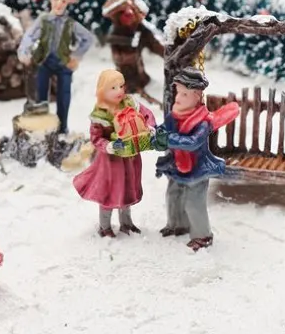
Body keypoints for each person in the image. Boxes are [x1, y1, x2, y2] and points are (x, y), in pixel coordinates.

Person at [155, 68, 240, 251]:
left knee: (193, 204)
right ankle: (177, 224)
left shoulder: (202, 122)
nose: (178, 98)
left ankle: (203, 236)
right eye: (178, 92)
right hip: (176, 165)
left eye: (184, 94)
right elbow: (163, 130)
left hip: (197, 169)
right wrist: (156, 135)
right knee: (173, 196)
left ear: (197, 96)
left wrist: (168, 139)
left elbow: (192, 143)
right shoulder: (174, 115)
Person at [73, 69, 160, 237]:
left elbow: (146, 114)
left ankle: (126, 223)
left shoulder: (130, 102)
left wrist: (149, 127)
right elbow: (96, 138)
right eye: (113, 88)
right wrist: (110, 145)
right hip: (111, 163)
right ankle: (104, 226)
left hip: (130, 157)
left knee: (127, 189)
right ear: (102, 91)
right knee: (109, 192)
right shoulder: (101, 113)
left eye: (121, 86)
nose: (119, 91)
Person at [17, 0, 96, 134]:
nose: (59, 4)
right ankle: (42, 126)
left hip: (63, 63)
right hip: (44, 61)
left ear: (67, 3)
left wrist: (76, 56)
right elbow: (29, 36)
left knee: (64, 95)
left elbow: (88, 38)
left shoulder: (70, 23)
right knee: (40, 94)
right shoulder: (43, 20)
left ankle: (62, 127)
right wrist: (24, 51)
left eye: (64, 1)